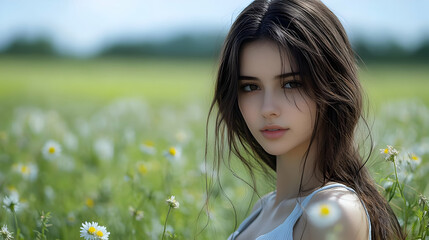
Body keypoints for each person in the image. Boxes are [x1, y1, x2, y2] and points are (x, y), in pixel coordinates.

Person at [205, 0, 405, 239]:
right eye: (250, 87)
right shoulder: (263, 208)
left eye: (291, 84)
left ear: (331, 85)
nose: (267, 109)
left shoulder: (333, 212)